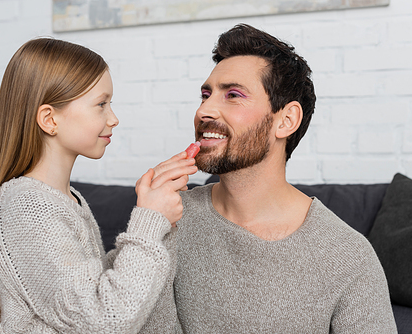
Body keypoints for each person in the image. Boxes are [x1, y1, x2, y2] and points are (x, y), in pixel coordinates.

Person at [143, 24, 398, 333]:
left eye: (233, 95)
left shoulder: (348, 256)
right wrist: (147, 222)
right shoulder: (165, 217)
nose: (204, 110)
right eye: (205, 95)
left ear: (286, 120)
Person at [0, 38, 197, 334]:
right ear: (49, 119)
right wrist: (149, 222)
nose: (113, 119)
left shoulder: (67, 198)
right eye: (101, 104)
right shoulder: (27, 205)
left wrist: (160, 219)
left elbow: (96, 287)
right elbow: (106, 318)